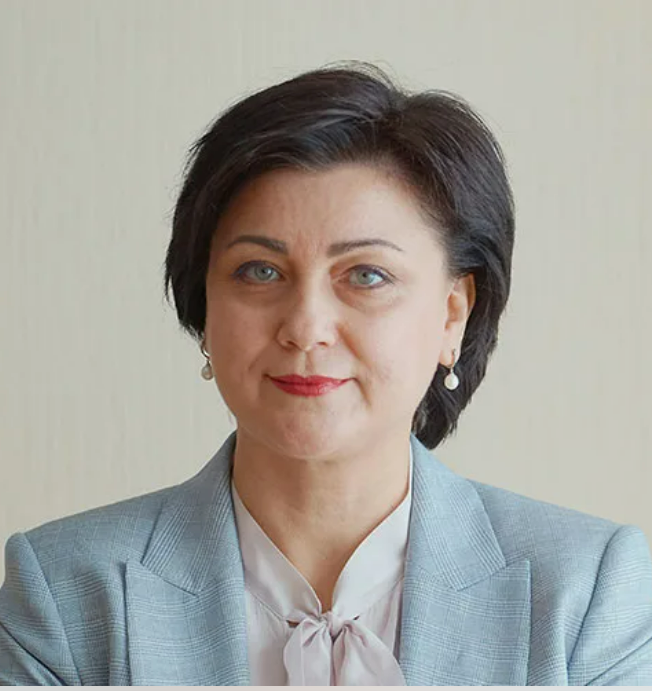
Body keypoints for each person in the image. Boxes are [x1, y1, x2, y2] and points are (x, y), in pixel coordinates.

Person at [1, 61, 651, 686]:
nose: (306, 326)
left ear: (453, 313)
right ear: (205, 307)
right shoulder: (63, 593)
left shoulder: (586, 594)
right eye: (260, 271)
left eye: (366, 275)